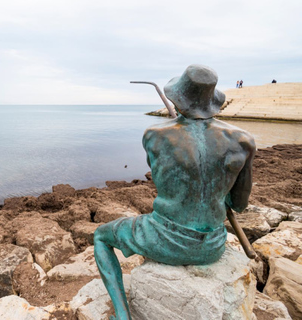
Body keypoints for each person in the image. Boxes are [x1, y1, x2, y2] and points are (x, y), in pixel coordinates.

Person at [94, 64, 256, 320]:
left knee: (101, 236)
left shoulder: (154, 135)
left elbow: (162, 179)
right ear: (212, 102)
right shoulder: (243, 140)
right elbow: (239, 204)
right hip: (212, 245)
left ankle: (122, 316)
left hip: (167, 238)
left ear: (177, 99)